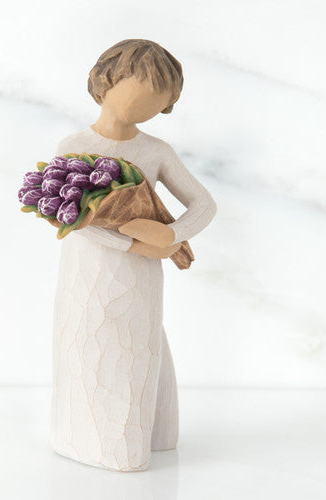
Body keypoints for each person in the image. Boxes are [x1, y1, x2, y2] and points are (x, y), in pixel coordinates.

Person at [50, 39, 217, 472]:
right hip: (88, 273)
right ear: (105, 82)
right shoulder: (75, 145)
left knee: (139, 341)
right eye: (137, 93)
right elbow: (74, 220)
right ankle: (97, 441)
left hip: (141, 274)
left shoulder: (156, 151)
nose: (145, 108)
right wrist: (134, 244)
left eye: (157, 102)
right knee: (91, 343)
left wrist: (171, 235)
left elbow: (203, 204)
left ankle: (149, 434)